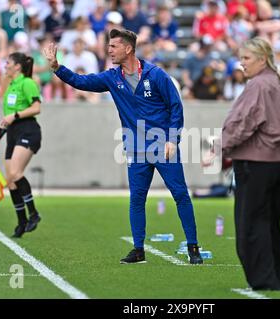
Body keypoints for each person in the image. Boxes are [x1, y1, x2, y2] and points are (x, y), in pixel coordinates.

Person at [42, 28, 203, 264]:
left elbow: (176, 107)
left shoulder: (156, 75)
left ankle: (193, 247)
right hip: (135, 147)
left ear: (128, 48)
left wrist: (172, 139)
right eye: (108, 46)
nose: (109, 50)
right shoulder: (111, 77)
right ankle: (138, 250)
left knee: (180, 194)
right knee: (137, 198)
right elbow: (81, 81)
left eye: (113, 46)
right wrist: (57, 66)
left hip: (162, 145)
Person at [222, 37, 280, 290]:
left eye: (246, 58)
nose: (241, 63)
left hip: (256, 164)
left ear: (261, 59)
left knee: (251, 224)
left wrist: (221, 147)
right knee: (270, 223)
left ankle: (264, 280)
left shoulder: (258, 85)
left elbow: (244, 121)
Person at [0, 52, 42, 238]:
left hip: (28, 130)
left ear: (17, 67)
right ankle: (22, 221)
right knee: (10, 180)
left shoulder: (27, 83)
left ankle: (34, 214)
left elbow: (37, 108)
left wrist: (16, 116)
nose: (5, 66)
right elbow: (8, 117)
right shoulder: (11, 86)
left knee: (15, 172)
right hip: (12, 132)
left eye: (8, 63)